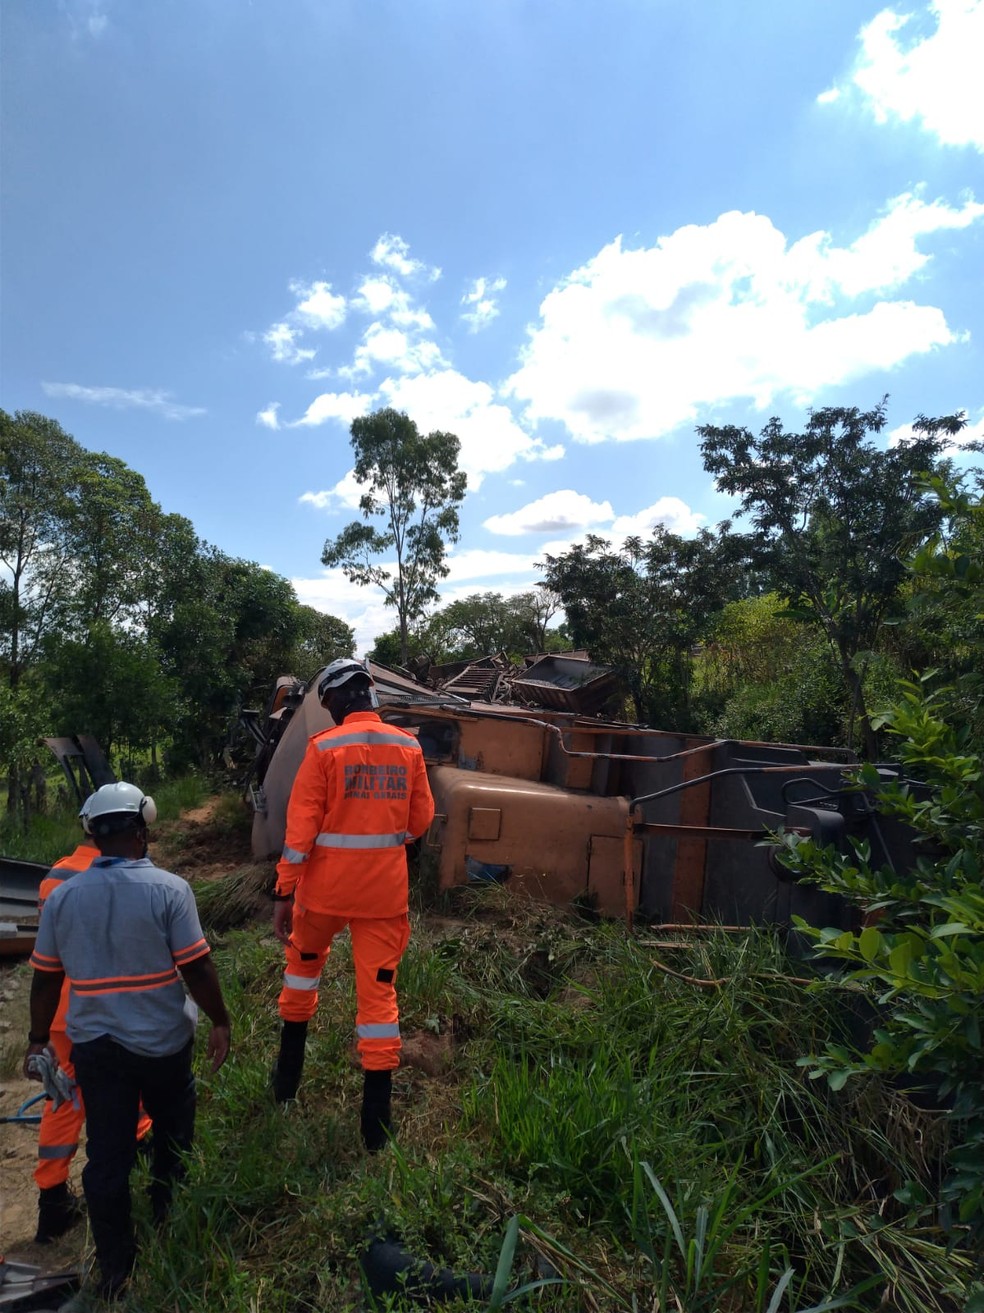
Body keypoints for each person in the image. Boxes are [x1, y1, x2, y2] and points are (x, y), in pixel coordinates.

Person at [24, 782, 231, 1303]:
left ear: (93, 834)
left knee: (107, 1157)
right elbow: (196, 965)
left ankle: (116, 1270)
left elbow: (46, 979)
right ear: (141, 832)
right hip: (163, 1045)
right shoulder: (169, 889)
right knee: (171, 1136)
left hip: (97, 1048)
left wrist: (35, 1041)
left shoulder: (63, 895)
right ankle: (169, 1221)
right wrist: (220, 1020)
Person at [271, 658, 435, 1150]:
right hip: (383, 897)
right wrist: (386, 842)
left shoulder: (322, 750)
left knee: (301, 975)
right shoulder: (409, 747)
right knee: (379, 999)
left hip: (323, 894)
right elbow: (421, 819)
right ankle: (375, 1128)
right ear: (370, 694)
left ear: (339, 699)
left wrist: (284, 891)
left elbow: (299, 835)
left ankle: (285, 1086)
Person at [31, 795, 153, 1245]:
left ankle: (52, 1199)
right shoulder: (133, 876)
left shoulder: (55, 877)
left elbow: (48, 958)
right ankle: (139, 1163)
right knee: (132, 1086)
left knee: (64, 1097)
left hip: (64, 1013)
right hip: (117, 1009)